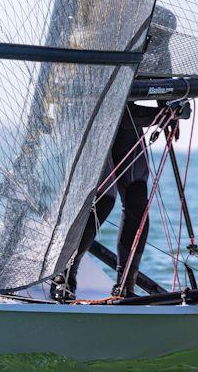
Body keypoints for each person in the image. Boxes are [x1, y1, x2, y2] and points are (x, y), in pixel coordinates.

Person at [52, 102, 165, 301]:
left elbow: (163, 70)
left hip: (127, 113)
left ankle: (125, 287)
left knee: (137, 198)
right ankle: (64, 277)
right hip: (90, 110)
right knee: (104, 199)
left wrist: (168, 104)